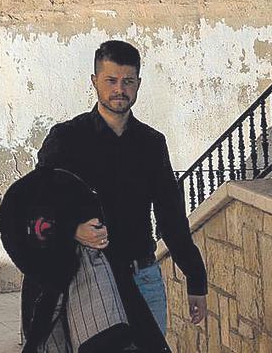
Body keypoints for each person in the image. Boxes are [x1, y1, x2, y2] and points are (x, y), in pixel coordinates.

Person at [36, 40, 207, 335]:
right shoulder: (67, 139)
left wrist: (195, 279)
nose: (120, 89)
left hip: (143, 278)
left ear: (138, 83)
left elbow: (171, 218)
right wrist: (71, 228)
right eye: (111, 80)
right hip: (88, 279)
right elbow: (36, 203)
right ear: (94, 82)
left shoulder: (152, 144)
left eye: (128, 81)